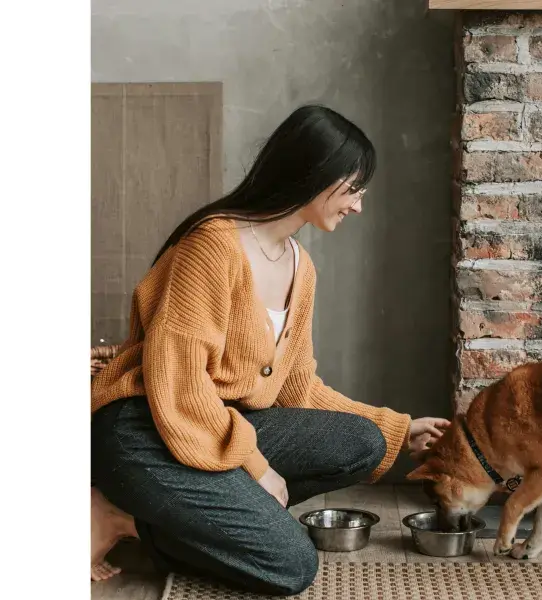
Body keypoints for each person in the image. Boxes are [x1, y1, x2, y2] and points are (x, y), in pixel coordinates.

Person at [90, 105, 450, 594]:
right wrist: (255, 467)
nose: (359, 206)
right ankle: (117, 511)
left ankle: (140, 517)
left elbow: (298, 388)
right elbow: (179, 385)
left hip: (216, 426)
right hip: (145, 430)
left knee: (365, 442)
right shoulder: (213, 245)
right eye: (354, 188)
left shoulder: (301, 269)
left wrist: (399, 428)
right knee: (290, 565)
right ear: (316, 175)